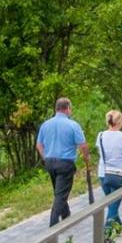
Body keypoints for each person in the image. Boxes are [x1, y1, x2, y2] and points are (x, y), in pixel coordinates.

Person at [36, 97, 88, 226]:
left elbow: (39, 145)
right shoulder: (72, 124)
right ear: (67, 108)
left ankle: (66, 214)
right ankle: (53, 223)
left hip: (49, 162)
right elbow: (82, 145)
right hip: (65, 163)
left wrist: (45, 157)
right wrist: (87, 157)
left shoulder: (45, 124)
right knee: (60, 194)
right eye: (70, 109)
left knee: (58, 190)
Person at [96, 110, 122, 233]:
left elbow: (100, 153)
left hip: (103, 174)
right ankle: (106, 234)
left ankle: (118, 225)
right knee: (113, 205)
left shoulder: (101, 136)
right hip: (120, 175)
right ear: (119, 122)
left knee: (112, 202)